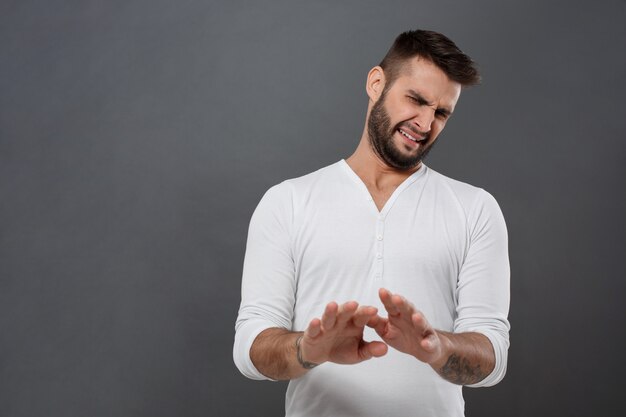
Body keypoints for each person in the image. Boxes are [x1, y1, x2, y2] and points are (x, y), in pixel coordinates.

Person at [233, 29, 510, 417]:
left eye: (442, 112)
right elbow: (251, 347)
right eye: (416, 99)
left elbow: (492, 355)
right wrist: (308, 350)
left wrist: (437, 348)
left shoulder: (476, 209)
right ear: (376, 83)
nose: (426, 122)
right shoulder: (288, 202)